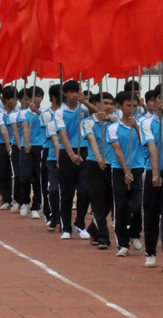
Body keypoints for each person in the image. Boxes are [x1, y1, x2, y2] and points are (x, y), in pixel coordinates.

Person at [109, 91, 146, 257]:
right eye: (128, 105)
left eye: (135, 106)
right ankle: (122, 244)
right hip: (120, 169)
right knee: (121, 206)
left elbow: (146, 143)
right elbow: (117, 150)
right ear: (120, 106)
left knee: (137, 206)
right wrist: (125, 171)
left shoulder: (142, 124)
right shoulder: (113, 127)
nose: (132, 109)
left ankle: (134, 234)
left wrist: (137, 127)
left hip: (139, 168)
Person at [55, 80, 91, 240]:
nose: (74, 95)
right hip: (67, 152)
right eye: (71, 92)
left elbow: (99, 115)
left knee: (85, 189)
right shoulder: (59, 113)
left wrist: (86, 102)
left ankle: (80, 223)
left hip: (84, 150)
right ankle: (66, 227)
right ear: (64, 93)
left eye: (77, 91)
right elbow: (62, 135)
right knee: (67, 192)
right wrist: (71, 155)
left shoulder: (83, 109)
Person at [142, 84, 163, 269]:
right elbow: (152, 148)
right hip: (152, 171)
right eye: (160, 98)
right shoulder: (147, 122)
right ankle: (150, 251)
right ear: (153, 102)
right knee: (151, 213)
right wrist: (155, 174)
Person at [82, 92, 116, 249]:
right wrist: (98, 157)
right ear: (96, 105)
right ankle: (103, 237)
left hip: (113, 165)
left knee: (110, 199)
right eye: (105, 103)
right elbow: (91, 139)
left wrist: (108, 119)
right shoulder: (88, 122)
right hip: (94, 164)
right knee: (97, 199)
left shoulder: (115, 121)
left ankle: (93, 228)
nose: (109, 106)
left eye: (111, 103)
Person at [18, 87, 45, 218]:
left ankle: (36, 206)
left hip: (41, 146)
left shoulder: (44, 112)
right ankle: (25, 202)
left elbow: (49, 121)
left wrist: (37, 111)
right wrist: (27, 143)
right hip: (27, 147)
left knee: (38, 177)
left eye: (39, 96)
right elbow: (25, 128)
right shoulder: (23, 113)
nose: (36, 99)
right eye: (33, 97)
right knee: (25, 176)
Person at [40, 85, 61, 226]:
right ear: (53, 97)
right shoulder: (47, 114)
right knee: (49, 186)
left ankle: (60, 215)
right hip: (49, 151)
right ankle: (49, 214)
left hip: (65, 150)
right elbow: (54, 134)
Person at [0, 86, 17, 210]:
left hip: (16, 144)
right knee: (3, 172)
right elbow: (3, 130)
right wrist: (8, 145)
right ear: (7, 100)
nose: (16, 101)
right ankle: (6, 199)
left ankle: (16, 199)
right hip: (3, 145)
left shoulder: (18, 111)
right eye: (13, 98)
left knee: (16, 173)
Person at [8, 89, 25, 213]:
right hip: (17, 146)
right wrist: (19, 145)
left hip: (31, 147)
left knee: (28, 176)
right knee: (17, 175)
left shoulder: (34, 113)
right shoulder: (15, 114)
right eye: (25, 99)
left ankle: (27, 201)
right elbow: (15, 131)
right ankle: (16, 201)